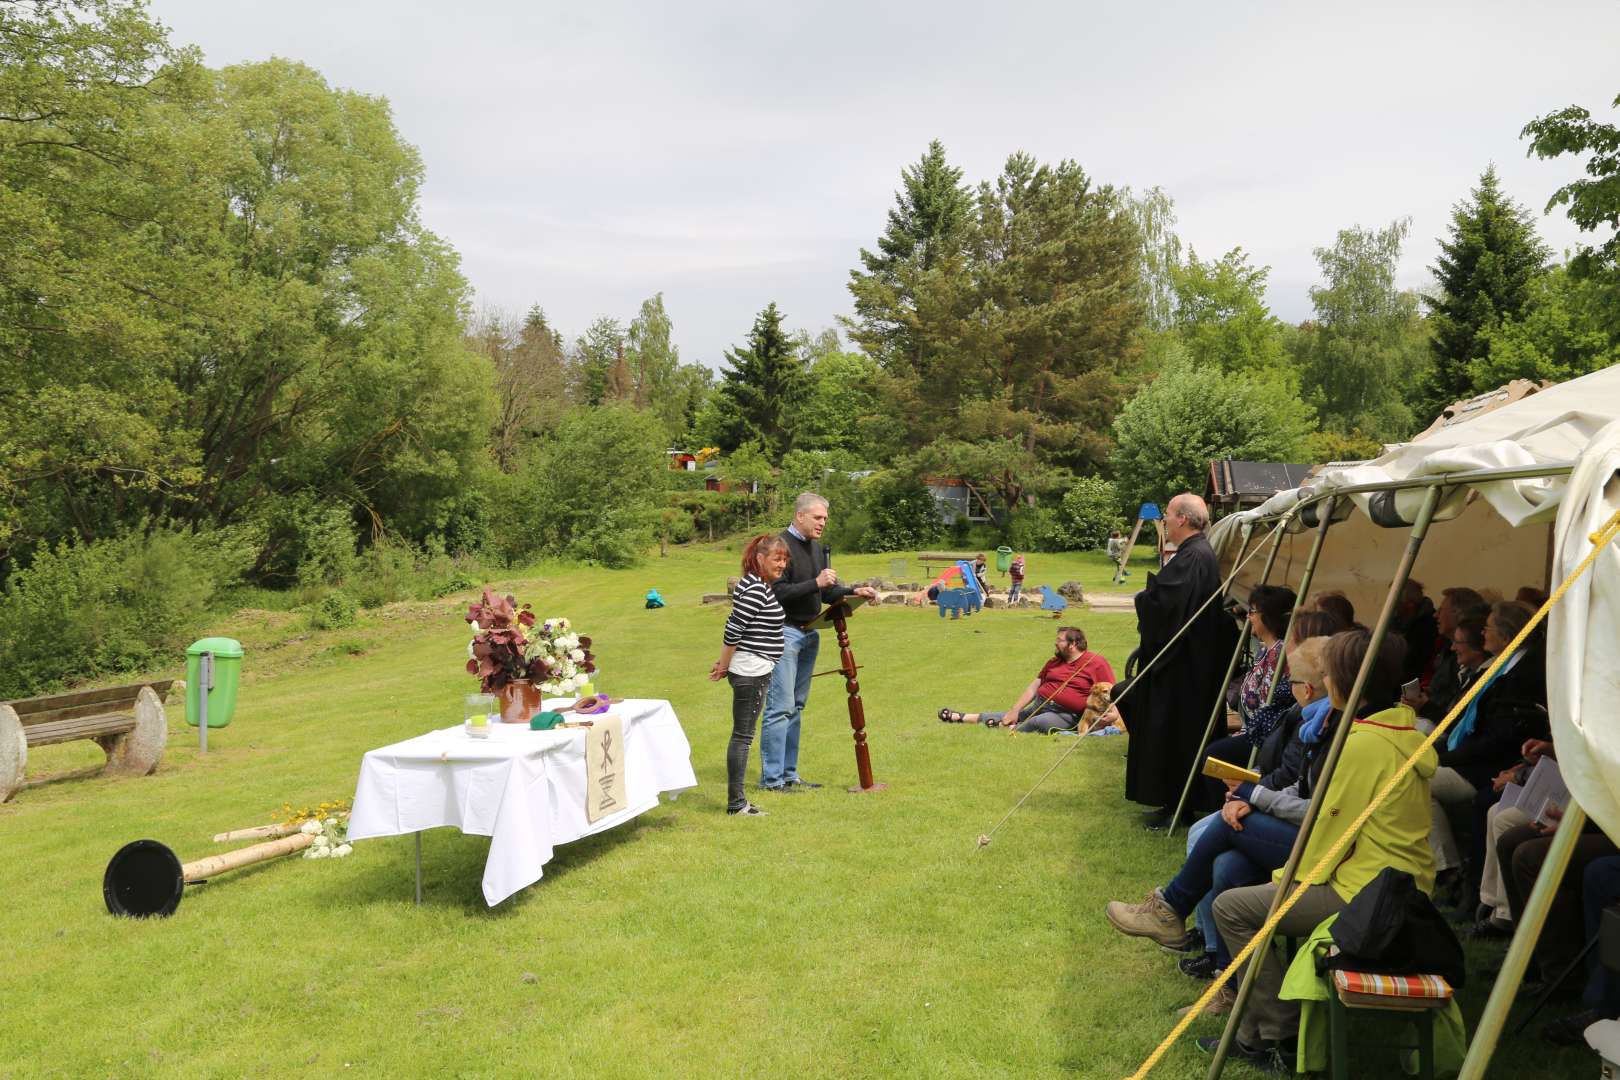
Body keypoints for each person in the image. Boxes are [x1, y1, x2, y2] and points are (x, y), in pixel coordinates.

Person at [1203, 628, 1436, 1069]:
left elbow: (1327, 833)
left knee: (1232, 908)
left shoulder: (1363, 743)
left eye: (1327, 675)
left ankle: (1280, 1033)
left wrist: (1279, 879)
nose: (1323, 684)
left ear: (1345, 682)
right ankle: (1255, 1034)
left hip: (1372, 893)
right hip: (1392, 881)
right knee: (1236, 878)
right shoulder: (1398, 728)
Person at [1107, 636, 1335, 1016]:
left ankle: (1171, 908)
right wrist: (1249, 798)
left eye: (1291, 683)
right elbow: (1300, 784)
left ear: (1307, 688)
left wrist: (1253, 796)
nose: (1287, 690)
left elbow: (1320, 808)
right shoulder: (1317, 722)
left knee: (1227, 830)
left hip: (1327, 848)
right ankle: (1229, 987)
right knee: (1226, 867)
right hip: (1304, 828)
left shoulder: (1332, 729)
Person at [1121, 493, 1239, 827]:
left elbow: (1169, 606)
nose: (1166, 522)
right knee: (1170, 731)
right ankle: (1173, 802)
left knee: (1175, 735)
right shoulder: (1196, 554)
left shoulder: (1195, 556)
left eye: (1169, 515)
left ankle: (1179, 805)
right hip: (1186, 665)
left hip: (1184, 670)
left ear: (1183, 519)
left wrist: (1145, 597)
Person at [761, 493, 878, 793]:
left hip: (810, 633)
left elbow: (824, 593)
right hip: (784, 633)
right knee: (780, 707)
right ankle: (772, 780)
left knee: (796, 707)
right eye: (818, 517)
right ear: (800, 516)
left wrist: (854, 590)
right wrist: (816, 582)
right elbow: (775, 593)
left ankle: (790, 775)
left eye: (825, 518)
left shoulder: (814, 549)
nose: (823, 523)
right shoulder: (780, 547)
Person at [1428, 602, 1548, 886]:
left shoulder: (1521, 674)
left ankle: (1447, 867)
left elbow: (1498, 739)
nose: (1483, 632)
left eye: (1488, 627)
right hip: (1478, 757)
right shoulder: (1505, 667)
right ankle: (1447, 865)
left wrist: (1445, 758)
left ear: (1506, 637)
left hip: (1488, 765)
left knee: (1409, 780)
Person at [710, 535, 789, 816]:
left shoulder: (754, 584)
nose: (782, 565)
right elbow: (734, 629)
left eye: (784, 559)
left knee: (742, 735)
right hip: (751, 672)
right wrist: (723, 664)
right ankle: (737, 803)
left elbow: (745, 630)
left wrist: (724, 663)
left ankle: (738, 802)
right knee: (743, 737)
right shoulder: (756, 588)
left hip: (751, 667)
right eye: (776, 559)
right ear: (759, 559)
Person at [937, 626, 1115, 733]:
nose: (1055, 643)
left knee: (1041, 722)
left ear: (1072, 644)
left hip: (1067, 715)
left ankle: (1005, 728)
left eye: (1059, 640)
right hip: (1041, 704)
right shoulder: (1054, 662)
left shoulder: (1096, 663)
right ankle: (962, 717)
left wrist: (1114, 714)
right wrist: (1015, 709)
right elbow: (1034, 686)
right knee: (1014, 715)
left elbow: (1113, 691)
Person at [1393, 579, 1439, 683]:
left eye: (1395, 600)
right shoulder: (1395, 622)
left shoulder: (1429, 628)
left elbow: (1415, 664)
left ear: (1410, 604)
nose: (1391, 604)